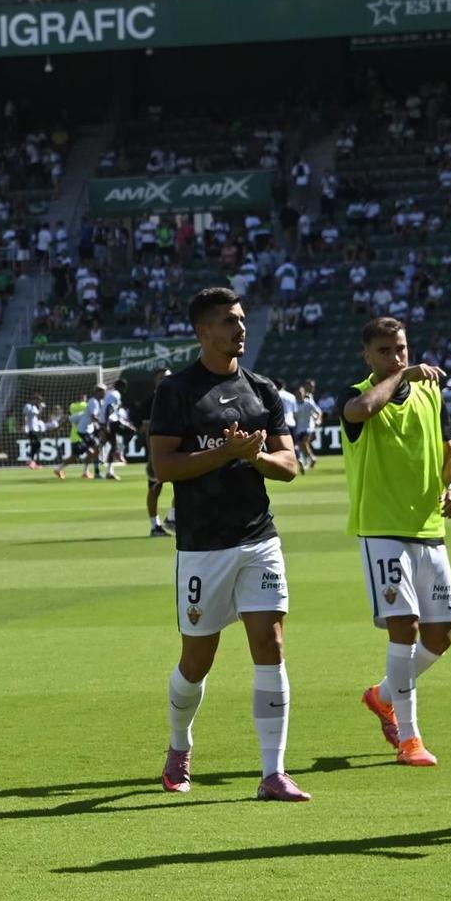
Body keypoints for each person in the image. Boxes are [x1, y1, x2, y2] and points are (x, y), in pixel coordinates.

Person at [147, 287, 308, 802]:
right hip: (202, 547)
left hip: (258, 537)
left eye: (241, 318)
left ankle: (273, 772)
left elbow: (289, 466)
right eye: (228, 321)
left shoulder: (262, 390)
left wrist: (253, 458)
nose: (240, 328)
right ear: (203, 332)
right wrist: (225, 454)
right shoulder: (176, 392)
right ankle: (178, 746)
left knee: (271, 645)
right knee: (198, 660)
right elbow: (163, 466)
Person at [340, 318, 451, 768]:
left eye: (402, 348)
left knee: (442, 635)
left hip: (430, 528)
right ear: (368, 356)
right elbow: (360, 412)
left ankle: (382, 695)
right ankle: (410, 739)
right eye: (386, 350)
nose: (398, 356)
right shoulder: (354, 394)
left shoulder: (432, 394)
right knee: (404, 627)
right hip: (382, 529)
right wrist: (399, 378)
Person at [139, 367, 174, 536]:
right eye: (161, 378)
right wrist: (153, 456)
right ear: (155, 381)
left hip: (177, 449)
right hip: (158, 451)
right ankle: (155, 526)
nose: (165, 380)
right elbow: (146, 429)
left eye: (167, 377)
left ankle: (173, 518)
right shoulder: (149, 401)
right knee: (155, 488)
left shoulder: (177, 397)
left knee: (186, 485)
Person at [292, 382, 323, 472]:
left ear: (304, 393)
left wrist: (318, 419)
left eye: (300, 393)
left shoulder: (309, 403)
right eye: (297, 393)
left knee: (303, 443)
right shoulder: (295, 405)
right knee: (301, 446)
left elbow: (318, 412)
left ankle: (310, 458)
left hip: (309, 427)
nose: (299, 395)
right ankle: (307, 461)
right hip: (299, 429)